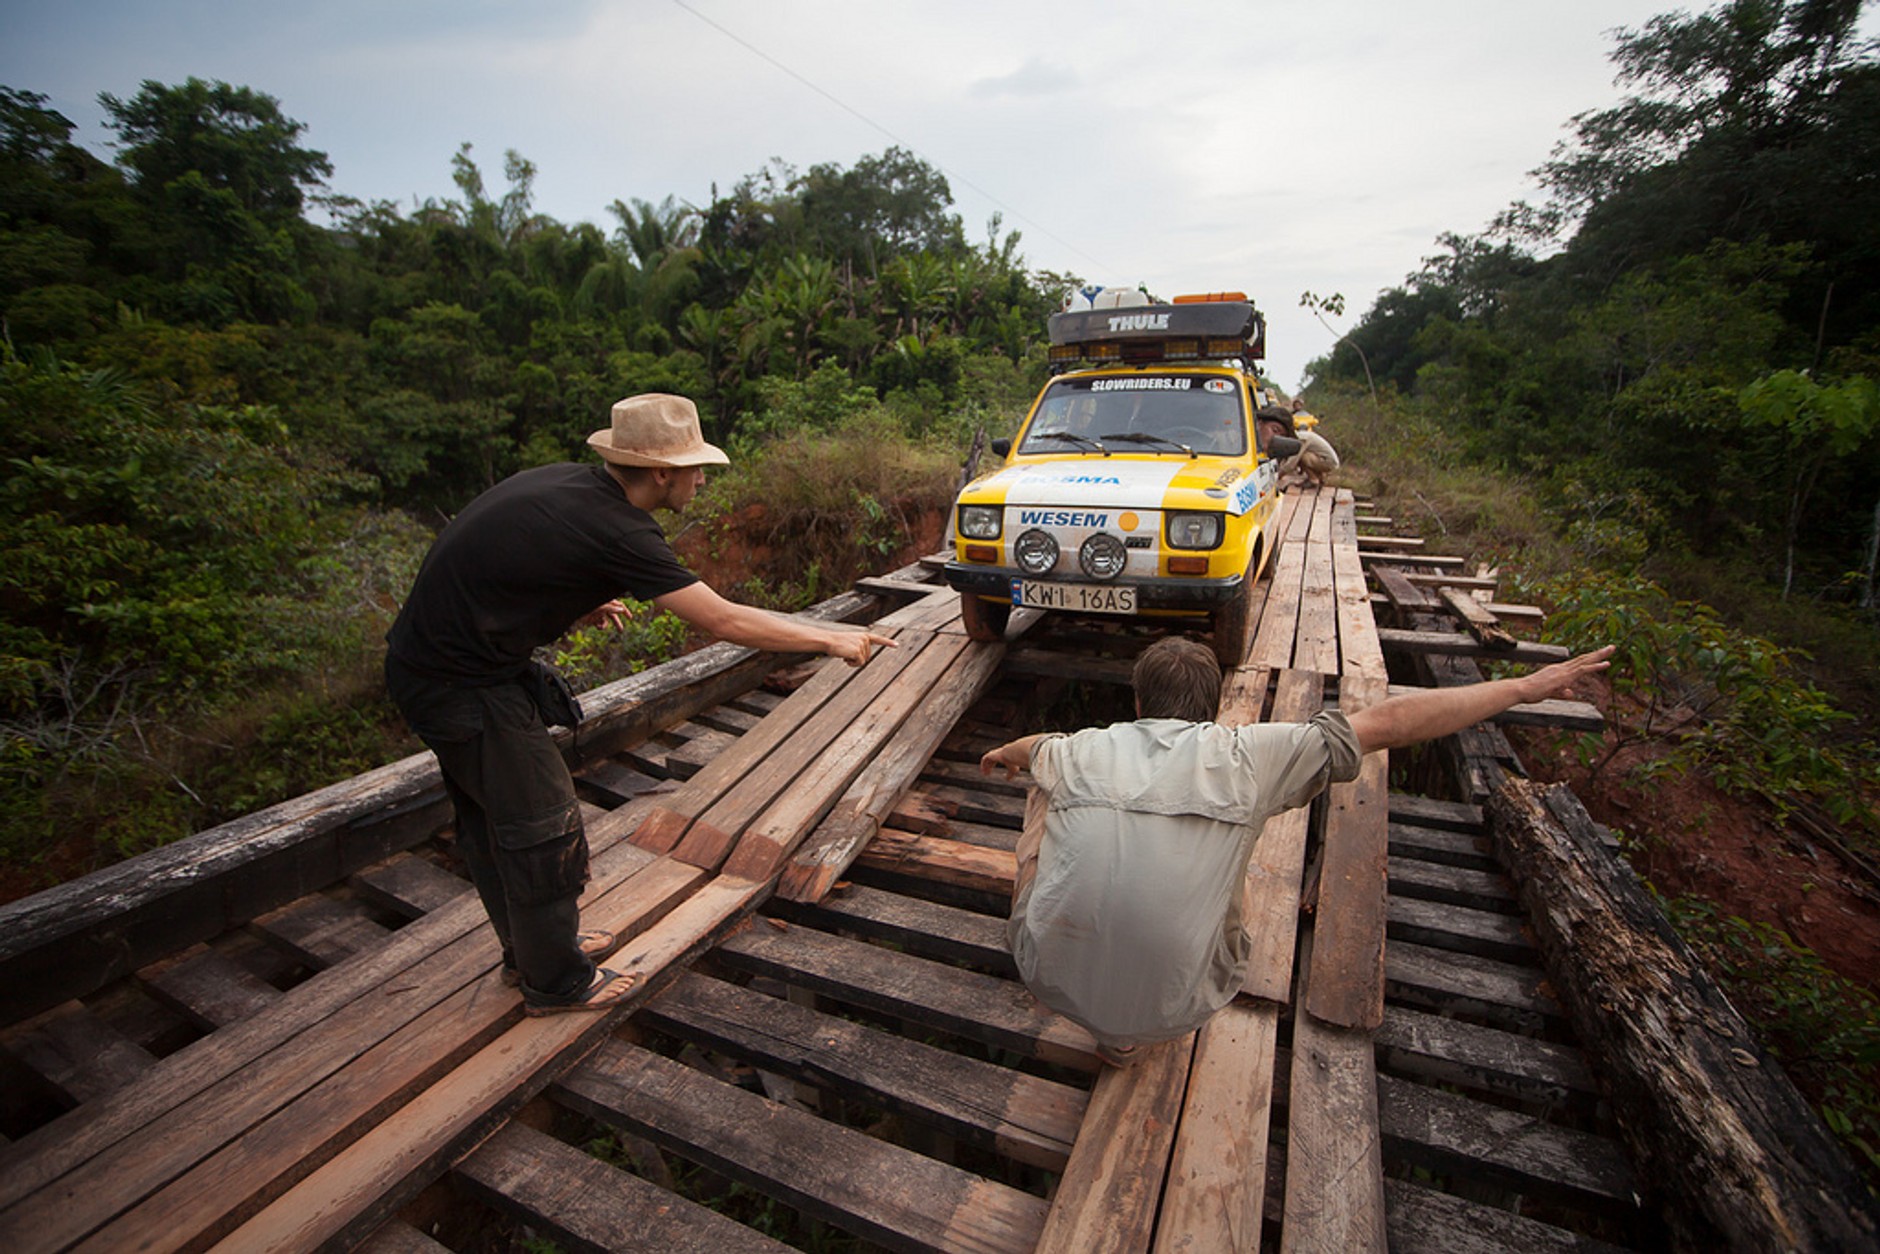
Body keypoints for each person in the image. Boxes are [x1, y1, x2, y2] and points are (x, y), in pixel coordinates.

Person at [385, 393, 896, 1016]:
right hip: (462, 686)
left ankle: (533, 952)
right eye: (694, 468)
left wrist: (583, 594)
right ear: (661, 474)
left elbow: (511, 554)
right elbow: (723, 619)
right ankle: (557, 983)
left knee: (497, 824)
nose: (702, 480)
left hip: (435, 667)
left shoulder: (573, 489)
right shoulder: (618, 529)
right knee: (540, 827)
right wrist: (829, 637)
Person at [980, 635, 1613, 1064]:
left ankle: (1108, 1018)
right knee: (1234, 842)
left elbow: (1038, 746)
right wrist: (1525, 687)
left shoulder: (1077, 749)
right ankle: (1134, 1026)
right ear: (1216, 707)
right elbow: (1393, 723)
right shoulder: (1249, 755)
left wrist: (1003, 755)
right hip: (1181, 1002)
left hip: (1050, 979)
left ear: (1138, 703)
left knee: (1045, 788)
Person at [1256, 406, 1340, 489]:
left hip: (1329, 462)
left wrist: (1278, 476)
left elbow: (1292, 463)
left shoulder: (1301, 439)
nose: (1276, 437)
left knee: (1303, 456)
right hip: (1323, 459)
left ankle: (1313, 480)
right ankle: (1319, 478)